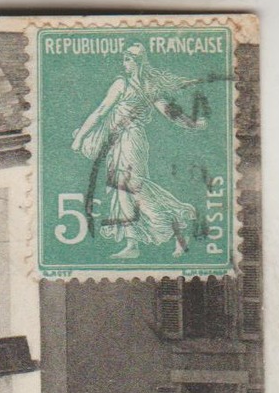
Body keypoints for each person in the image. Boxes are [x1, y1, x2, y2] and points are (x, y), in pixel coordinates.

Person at [71, 42, 203, 260]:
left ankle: (177, 228)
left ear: (138, 62)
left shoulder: (130, 85)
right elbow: (102, 112)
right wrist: (81, 136)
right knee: (121, 190)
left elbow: (103, 111)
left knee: (133, 188)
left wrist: (80, 137)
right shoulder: (136, 85)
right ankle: (132, 244)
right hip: (118, 142)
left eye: (129, 58)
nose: (125, 63)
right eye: (124, 58)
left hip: (131, 141)